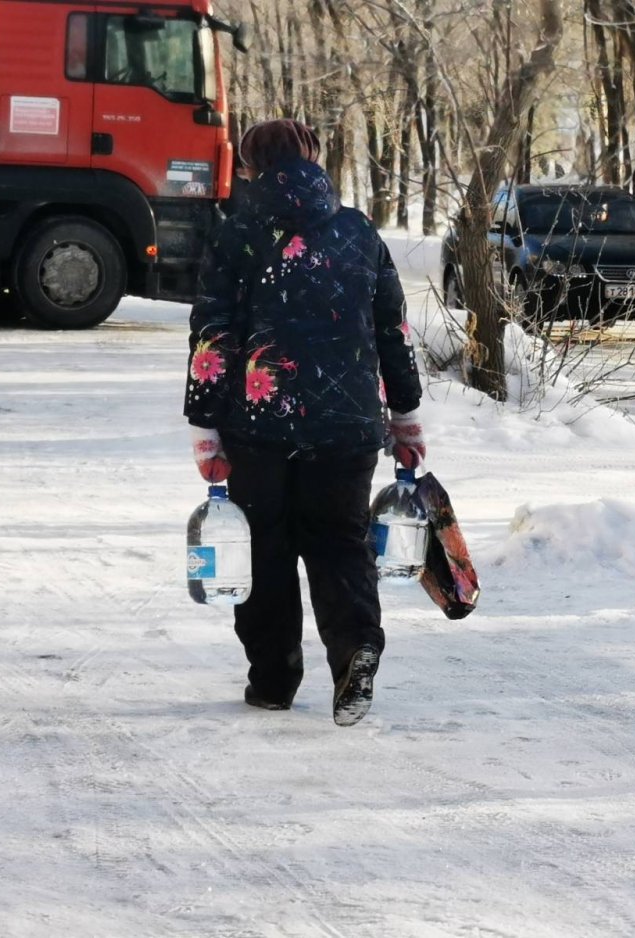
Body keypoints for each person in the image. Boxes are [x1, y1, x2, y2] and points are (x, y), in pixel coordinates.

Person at [183, 118, 426, 727]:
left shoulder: (236, 234)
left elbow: (213, 334)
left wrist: (204, 425)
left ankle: (272, 680)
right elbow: (392, 330)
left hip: (257, 424)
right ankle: (356, 649)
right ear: (315, 158)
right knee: (341, 543)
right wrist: (406, 416)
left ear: (245, 168)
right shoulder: (358, 231)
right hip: (348, 426)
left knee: (263, 548)